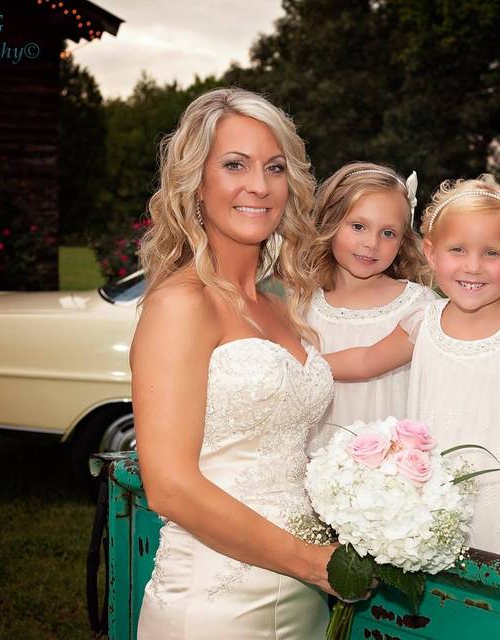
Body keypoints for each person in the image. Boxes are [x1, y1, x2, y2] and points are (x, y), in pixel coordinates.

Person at [130, 87, 336, 639]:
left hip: (304, 599)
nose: (259, 186)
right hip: (216, 604)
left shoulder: (279, 308)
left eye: (274, 168)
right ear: (196, 183)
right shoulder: (181, 305)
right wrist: (312, 562)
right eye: (235, 165)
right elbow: (169, 486)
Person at [325, 176, 500, 568]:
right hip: (433, 499)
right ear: (431, 252)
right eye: (457, 250)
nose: (472, 267)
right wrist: (300, 364)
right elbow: (364, 361)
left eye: (491, 253)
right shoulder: (421, 323)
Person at [304, 163, 437, 453]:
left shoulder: (417, 307)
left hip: (394, 469)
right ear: (330, 222)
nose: (371, 243)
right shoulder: (302, 305)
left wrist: (295, 367)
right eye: (358, 226)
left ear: (403, 241)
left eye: (388, 233)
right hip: (318, 457)